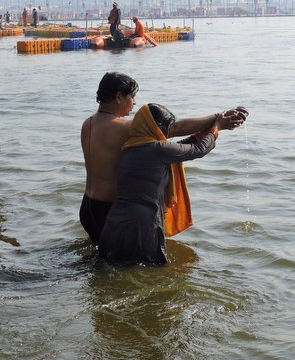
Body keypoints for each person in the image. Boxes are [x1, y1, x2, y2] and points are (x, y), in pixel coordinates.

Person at [80, 71, 247, 244]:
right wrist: (217, 119)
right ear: (119, 97)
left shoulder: (88, 123)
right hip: (108, 209)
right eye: (132, 97)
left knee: (101, 257)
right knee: (116, 265)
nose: (135, 103)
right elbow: (175, 128)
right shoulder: (122, 127)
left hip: (88, 207)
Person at [99, 102, 243, 264]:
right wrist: (216, 127)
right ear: (156, 127)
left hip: (114, 224)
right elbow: (198, 149)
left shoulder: (129, 148)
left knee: (112, 268)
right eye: (167, 128)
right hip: (143, 226)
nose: (168, 132)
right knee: (149, 276)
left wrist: (214, 127)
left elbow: (182, 146)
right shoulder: (159, 149)